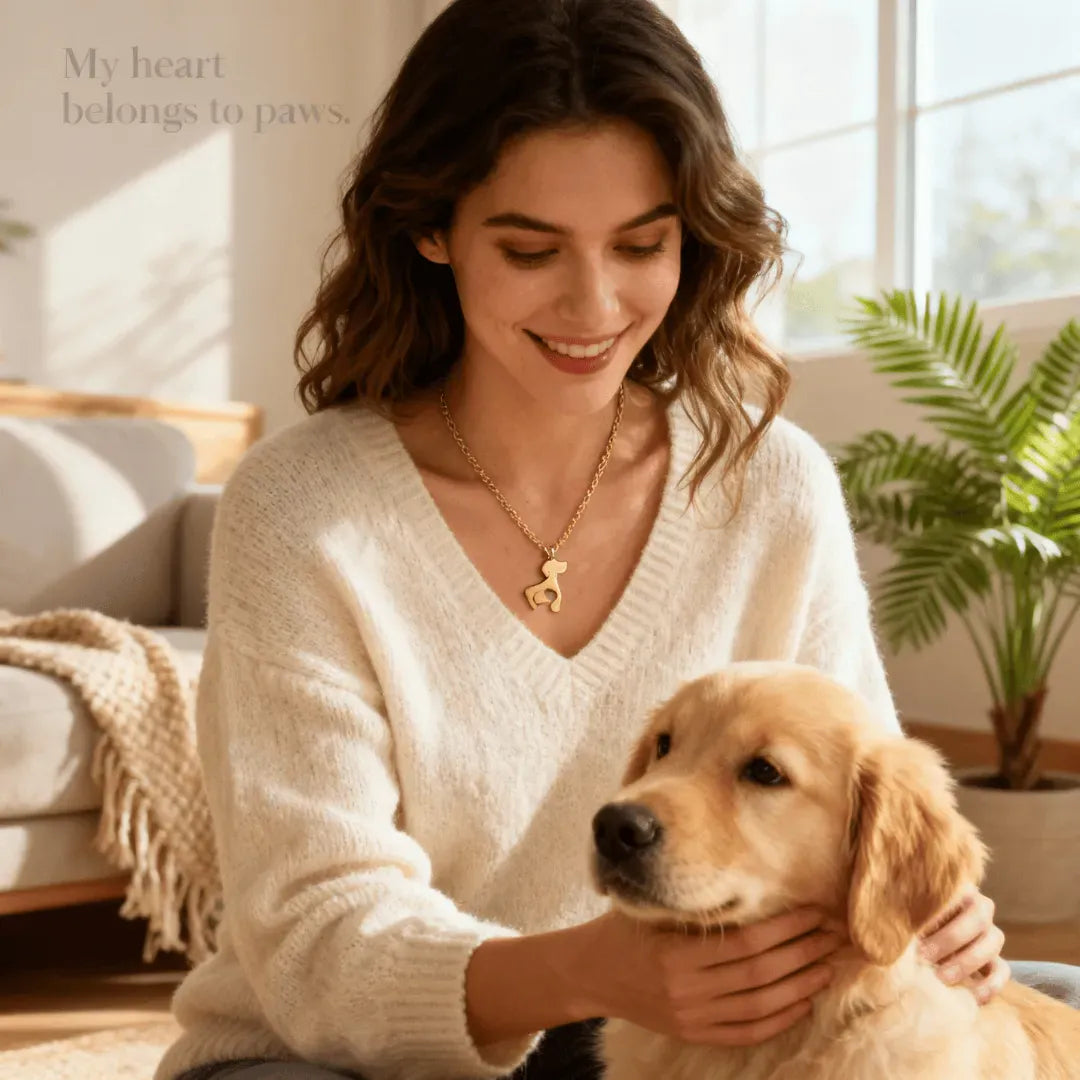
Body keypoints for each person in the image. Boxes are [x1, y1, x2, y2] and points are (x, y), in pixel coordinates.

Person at [155, 1, 1079, 1078]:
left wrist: (942, 923)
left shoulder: (774, 486)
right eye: (530, 247)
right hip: (353, 1052)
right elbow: (311, 939)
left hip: (685, 1031)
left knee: (1048, 998)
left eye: (643, 243)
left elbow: (857, 809)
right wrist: (593, 971)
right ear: (430, 227)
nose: (595, 302)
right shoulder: (302, 510)